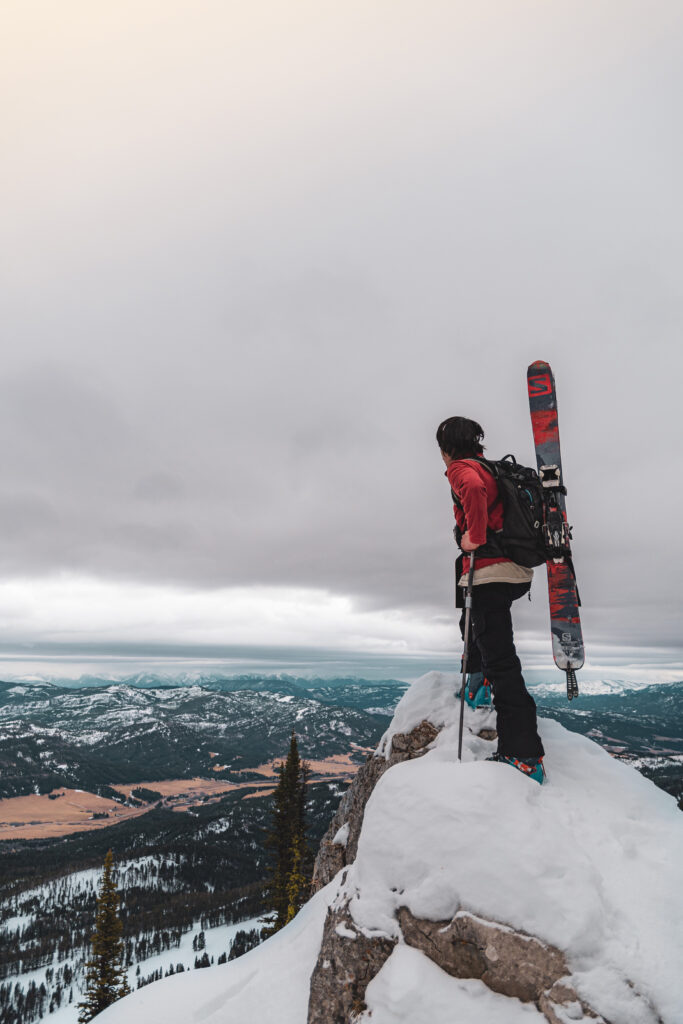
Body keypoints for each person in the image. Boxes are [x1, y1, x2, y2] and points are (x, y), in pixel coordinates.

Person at [436, 415, 545, 783]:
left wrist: (473, 537)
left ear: (447, 447)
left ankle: (523, 753)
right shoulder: (491, 468)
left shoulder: (463, 470)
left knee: (501, 660)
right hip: (514, 571)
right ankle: (477, 687)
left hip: (489, 572)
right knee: (474, 628)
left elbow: (471, 490)